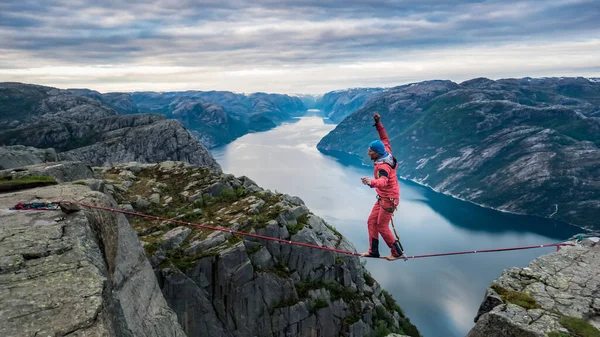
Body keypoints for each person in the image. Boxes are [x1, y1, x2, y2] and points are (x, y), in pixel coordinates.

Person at [360, 113, 406, 261]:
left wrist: (371, 182)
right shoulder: (386, 152)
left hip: (389, 199)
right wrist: (378, 123)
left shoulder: (383, 167)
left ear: (377, 153)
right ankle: (373, 251)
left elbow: (383, 181)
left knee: (382, 226)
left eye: (370, 151)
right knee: (371, 222)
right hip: (384, 197)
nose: (368, 152)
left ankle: (396, 252)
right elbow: (385, 139)